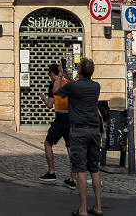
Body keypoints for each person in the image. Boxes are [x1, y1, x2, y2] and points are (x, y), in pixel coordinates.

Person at [54, 57, 103, 216]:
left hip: (79, 131)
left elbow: (56, 91)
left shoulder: (74, 86)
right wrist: (70, 78)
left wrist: (60, 75)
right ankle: (98, 207)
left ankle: (83, 209)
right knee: (94, 169)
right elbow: (78, 88)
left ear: (80, 71)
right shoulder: (96, 86)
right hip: (95, 130)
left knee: (80, 169)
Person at [38, 63, 76, 189]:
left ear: (53, 74)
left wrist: (43, 98)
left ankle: (51, 172)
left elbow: (49, 105)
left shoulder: (53, 85)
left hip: (60, 119)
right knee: (70, 148)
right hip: (71, 119)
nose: (50, 77)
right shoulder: (69, 84)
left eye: (50, 75)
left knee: (48, 143)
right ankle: (72, 178)